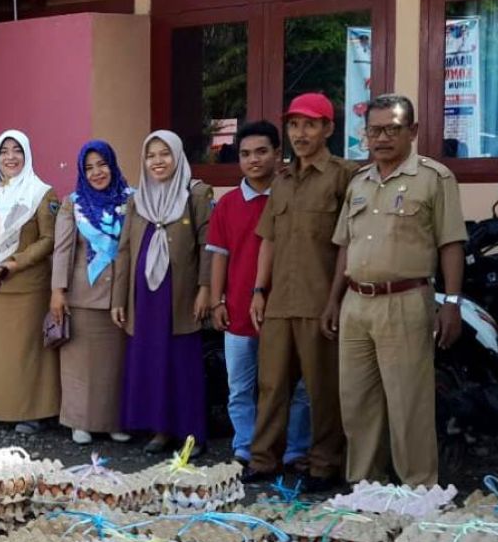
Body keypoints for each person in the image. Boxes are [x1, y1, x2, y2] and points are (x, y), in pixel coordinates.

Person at [325, 94, 466, 486]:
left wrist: (451, 303)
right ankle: (366, 486)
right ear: (365, 135)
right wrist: (334, 300)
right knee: (357, 403)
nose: (382, 138)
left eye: (392, 129)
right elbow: (345, 246)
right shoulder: (359, 183)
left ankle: (418, 489)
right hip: (356, 303)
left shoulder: (434, 179)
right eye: (375, 130)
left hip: (405, 301)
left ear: (413, 131)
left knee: (409, 404)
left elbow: (451, 243)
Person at [246, 93, 356, 490]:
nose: (300, 133)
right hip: (280, 301)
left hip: (319, 300)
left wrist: (335, 299)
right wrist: (259, 290)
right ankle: (263, 461)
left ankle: (323, 464)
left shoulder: (345, 175)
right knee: (271, 385)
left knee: (323, 388)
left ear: (328, 128)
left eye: (310, 124)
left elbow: (350, 242)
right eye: (294, 125)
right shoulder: (283, 179)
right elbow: (268, 240)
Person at [207, 121, 312, 468]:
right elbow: (219, 255)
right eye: (246, 154)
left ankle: (295, 449)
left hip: (285, 307)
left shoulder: (291, 196)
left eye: (262, 152)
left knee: (294, 387)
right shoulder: (227, 205)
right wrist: (217, 300)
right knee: (240, 388)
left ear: (278, 154)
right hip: (237, 309)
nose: (254, 160)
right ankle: (245, 447)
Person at [116, 130, 213, 455]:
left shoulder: (195, 194)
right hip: (145, 298)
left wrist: (205, 289)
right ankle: (159, 430)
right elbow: (125, 251)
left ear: (177, 155)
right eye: (151, 155)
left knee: (182, 363)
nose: (158, 161)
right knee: (152, 361)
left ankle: (191, 434)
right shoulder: (137, 199)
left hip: (181, 295)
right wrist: (119, 298)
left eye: (164, 154)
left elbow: (207, 246)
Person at [0, 130, 61, 435]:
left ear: (27, 154)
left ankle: (31, 412)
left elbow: (49, 239)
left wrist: (13, 263)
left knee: (25, 353)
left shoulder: (42, 192)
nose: (10, 157)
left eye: (16, 150)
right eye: (3, 151)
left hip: (25, 286)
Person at [51, 140, 133, 446]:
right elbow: (61, 250)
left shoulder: (131, 199)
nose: (97, 172)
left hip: (120, 295)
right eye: (89, 167)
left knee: (115, 365)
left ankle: (113, 421)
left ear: (112, 164)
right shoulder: (73, 203)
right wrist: (57, 291)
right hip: (82, 295)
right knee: (79, 365)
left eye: (102, 164)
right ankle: (79, 421)